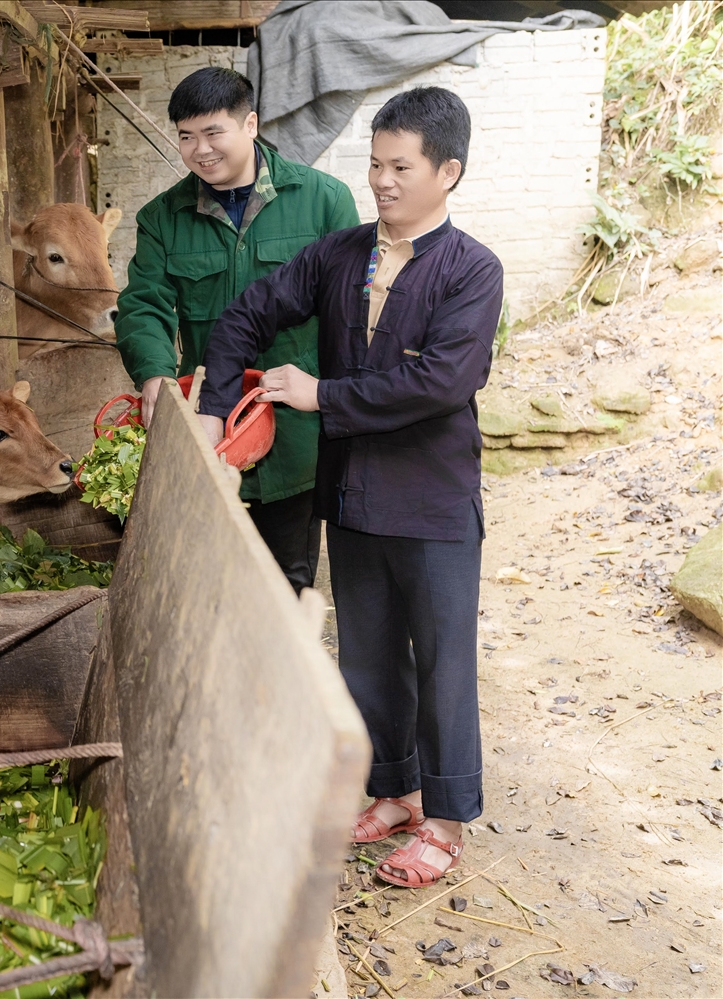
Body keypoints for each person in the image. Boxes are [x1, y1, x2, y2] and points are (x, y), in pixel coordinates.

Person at [197, 86, 503, 888]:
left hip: (433, 500)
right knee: (368, 655)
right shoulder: (339, 254)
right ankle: (395, 794)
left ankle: (445, 821)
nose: (382, 181)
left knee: (442, 662)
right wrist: (212, 409)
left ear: (448, 172)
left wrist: (322, 395)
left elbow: (441, 382)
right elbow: (244, 316)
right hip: (354, 493)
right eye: (375, 164)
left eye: (401, 167)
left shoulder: (472, 270)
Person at [115, 66, 360, 594]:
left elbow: (351, 315)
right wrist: (154, 373)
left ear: (250, 124)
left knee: (288, 580)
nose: (200, 150)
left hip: (295, 430)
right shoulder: (163, 218)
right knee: (210, 582)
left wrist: (338, 403)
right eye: (186, 136)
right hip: (208, 422)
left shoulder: (324, 200)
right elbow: (144, 304)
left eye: (213, 132)